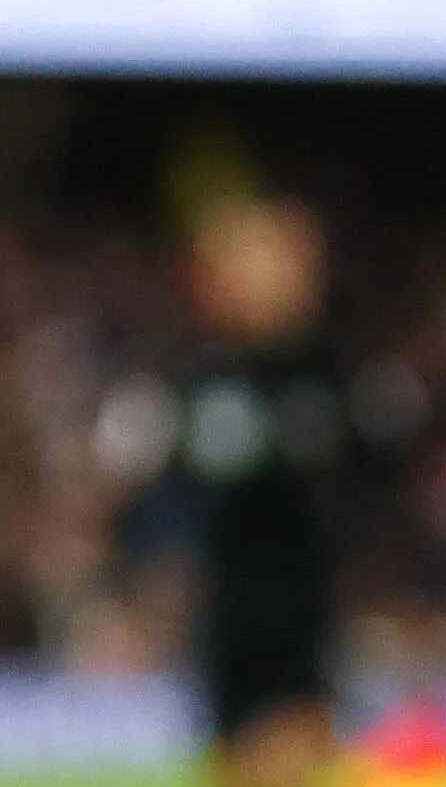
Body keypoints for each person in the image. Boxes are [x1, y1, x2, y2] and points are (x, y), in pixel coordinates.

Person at [180, 193, 350, 787]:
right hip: (231, 613)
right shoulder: (204, 373)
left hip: (299, 608)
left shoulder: (329, 372)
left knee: (297, 749)